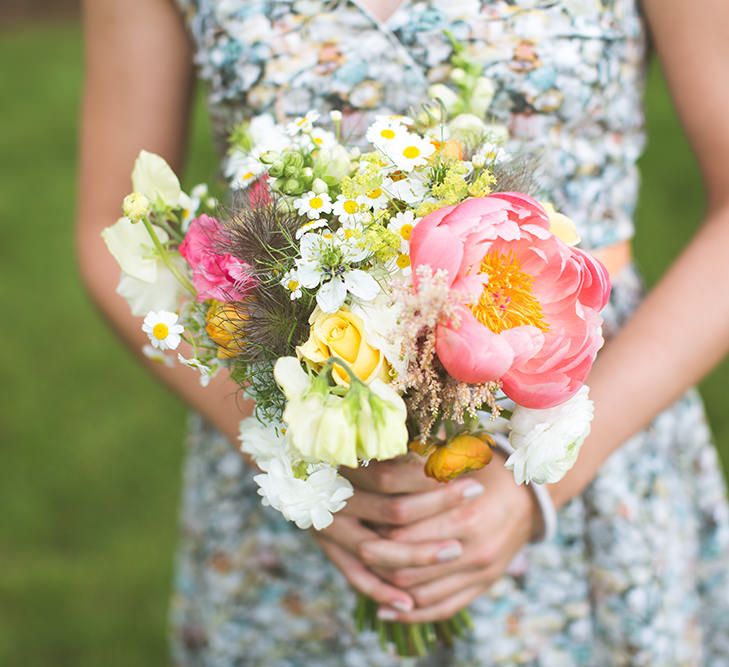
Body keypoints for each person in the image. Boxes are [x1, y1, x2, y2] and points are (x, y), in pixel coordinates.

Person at [77, 0, 729, 664]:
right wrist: (297, 451)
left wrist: (540, 486)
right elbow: (110, 224)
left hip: (588, 439)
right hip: (303, 463)